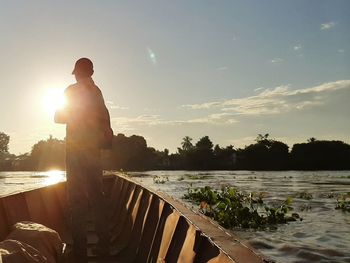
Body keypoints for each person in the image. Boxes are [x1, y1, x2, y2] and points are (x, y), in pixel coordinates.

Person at [55, 58, 113, 262]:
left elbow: (58, 117)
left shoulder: (71, 90)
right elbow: (105, 121)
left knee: (77, 202)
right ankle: (103, 249)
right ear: (92, 72)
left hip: (75, 154)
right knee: (97, 199)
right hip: (93, 153)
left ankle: (80, 253)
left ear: (77, 73)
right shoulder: (97, 93)